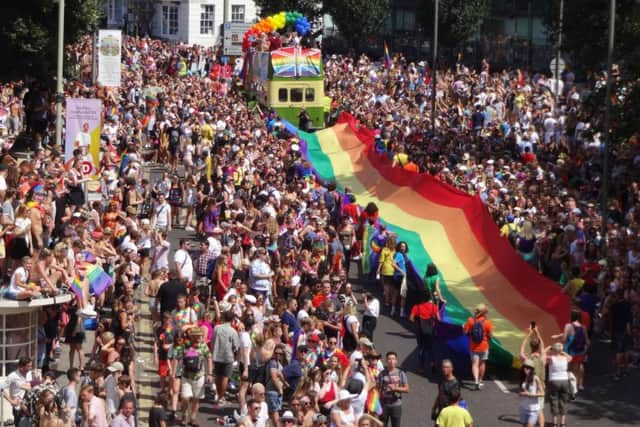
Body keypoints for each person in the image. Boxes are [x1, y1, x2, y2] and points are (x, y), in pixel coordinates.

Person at [211, 309, 240, 405]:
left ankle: (218, 395)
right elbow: (236, 346)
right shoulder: (233, 331)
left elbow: (212, 341)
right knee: (225, 377)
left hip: (216, 355)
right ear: (232, 320)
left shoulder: (217, 328)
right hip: (228, 357)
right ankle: (221, 397)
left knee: (218, 377)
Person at [463, 303, 493, 390]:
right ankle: (480, 380)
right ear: (484, 313)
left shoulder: (470, 320)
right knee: (482, 363)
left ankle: (475, 380)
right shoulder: (487, 322)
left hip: (473, 346)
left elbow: (465, 332)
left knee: (475, 364)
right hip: (484, 346)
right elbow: (491, 336)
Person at [409, 290, 440, 375]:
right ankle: (432, 363)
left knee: (421, 348)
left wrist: (417, 321)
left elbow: (411, 318)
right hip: (430, 330)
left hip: (420, 331)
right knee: (430, 347)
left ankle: (421, 367)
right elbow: (438, 319)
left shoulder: (417, 307)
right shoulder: (434, 307)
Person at [377, 351, 409, 427]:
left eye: (393, 359)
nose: (391, 361)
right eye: (389, 359)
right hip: (384, 404)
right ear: (386, 361)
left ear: (396, 361)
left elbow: (407, 389)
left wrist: (396, 388)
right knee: (382, 425)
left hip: (396, 405)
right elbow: (378, 388)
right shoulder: (382, 373)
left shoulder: (401, 373)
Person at [545, 342, 572, 427]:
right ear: (561, 350)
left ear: (554, 350)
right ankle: (563, 423)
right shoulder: (565, 358)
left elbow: (542, 355)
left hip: (554, 380)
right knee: (563, 401)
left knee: (554, 401)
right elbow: (571, 357)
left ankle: (555, 423)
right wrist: (562, 352)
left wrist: (548, 348)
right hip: (564, 380)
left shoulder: (551, 358)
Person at [3, 357, 33, 425]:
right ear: (21, 367)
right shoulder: (12, 376)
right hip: (18, 407)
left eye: (31, 365)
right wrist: (11, 401)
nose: (31, 368)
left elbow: (30, 385)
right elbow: (2, 389)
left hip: (29, 406)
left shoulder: (29, 373)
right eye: (28, 366)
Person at [431, 359, 461, 423]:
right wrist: (434, 407)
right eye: (443, 367)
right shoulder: (441, 380)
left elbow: (457, 400)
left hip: (449, 413)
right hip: (441, 411)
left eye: (447, 367)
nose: (444, 369)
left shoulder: (455, 383)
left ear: (452, 369)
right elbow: (440, 394)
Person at [518, 359, 545, 427]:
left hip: (533, 409)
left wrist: (531, 394)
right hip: (523, 407)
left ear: (531, 369)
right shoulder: (522, 378)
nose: (525, 369)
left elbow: (542, 393)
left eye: (528, 368)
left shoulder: (535, 378)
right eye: (524, 367)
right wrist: (521, 393)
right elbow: (520, 391)